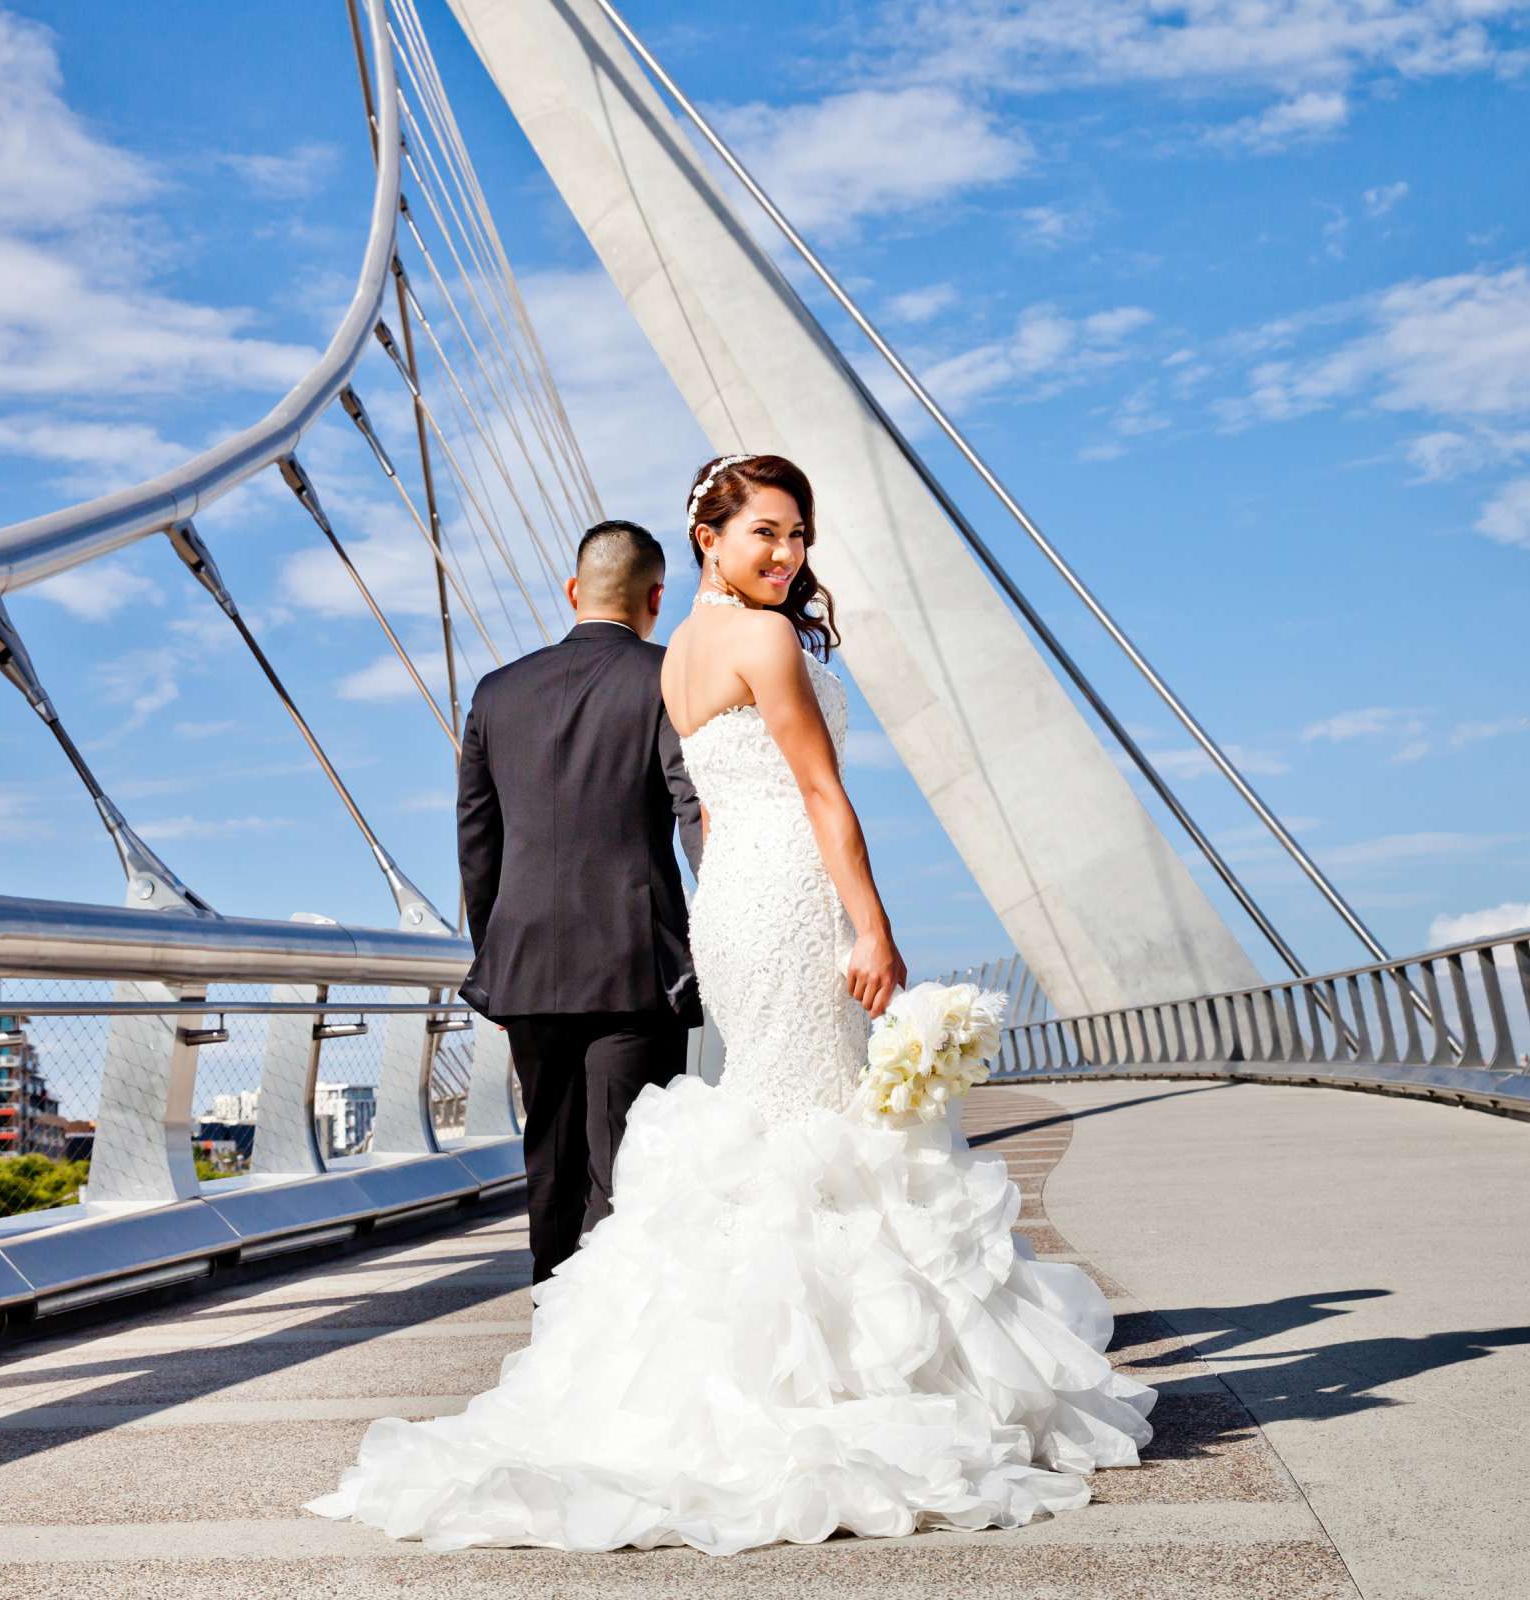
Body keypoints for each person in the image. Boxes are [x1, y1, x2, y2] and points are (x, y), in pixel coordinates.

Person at [310, 454, 1153, 1555]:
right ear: (699, 543)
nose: (789, 556)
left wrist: (497, 943)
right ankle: (834, 1374)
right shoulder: (750, 641)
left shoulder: (649, 663)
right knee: (792, 1126)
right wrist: (874, 927)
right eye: (767, 532)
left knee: (696, 1133)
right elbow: (807, 791)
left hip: (663, 926)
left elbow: (496, 834)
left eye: (800, 537)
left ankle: (641, 1350)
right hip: (758, 905)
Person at [450, 519, 701, 1284]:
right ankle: (608, 1333)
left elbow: (477, 839)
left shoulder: (497, 692)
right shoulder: (666, 678)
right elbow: (694, 812)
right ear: (657, 597)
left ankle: (551, 1320)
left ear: (572, 591)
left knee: (549, 1157)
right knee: (626, 1159)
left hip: (525, 962)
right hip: (633, 962)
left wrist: (497, 940)